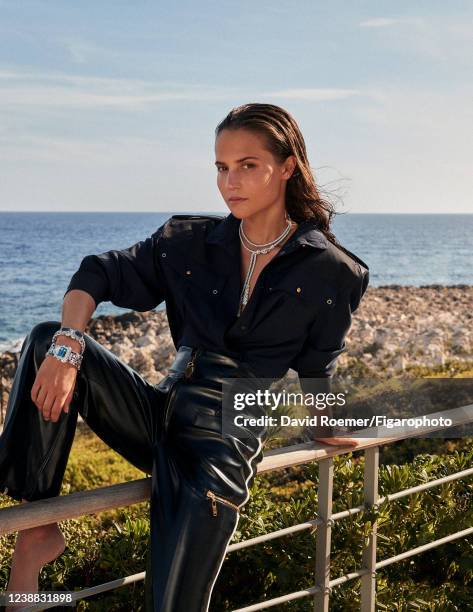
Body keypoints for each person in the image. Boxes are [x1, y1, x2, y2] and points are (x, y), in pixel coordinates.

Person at [0, 103, 369, 611]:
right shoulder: (188, 241)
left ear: (287, 167)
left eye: (247, 165)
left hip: (219, 453)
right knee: (45, 337)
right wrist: (68, 346)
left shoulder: (334, 271)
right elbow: (97, 273)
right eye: (221, 166)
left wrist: (329, 428)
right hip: (159, 415)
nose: (229, 182)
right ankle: (38, 527)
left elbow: (317, 369)